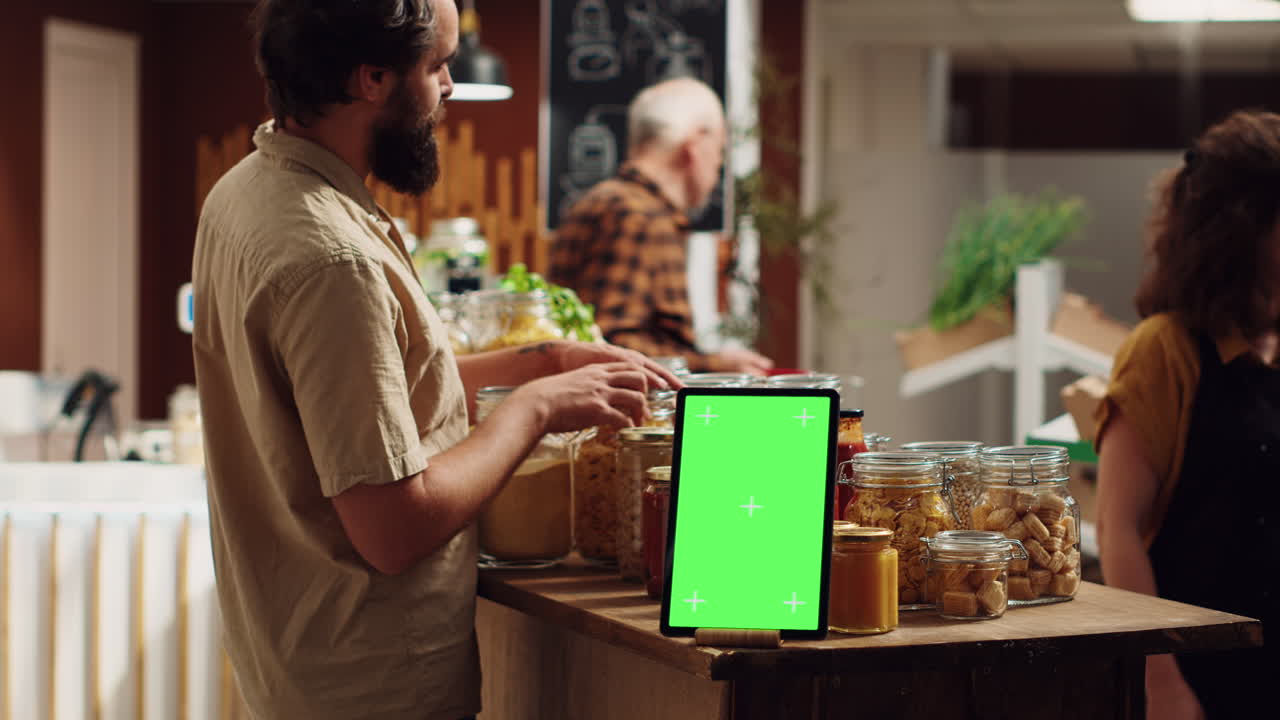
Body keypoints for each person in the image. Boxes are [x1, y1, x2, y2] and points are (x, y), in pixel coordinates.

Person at [191, 1, 680, 718]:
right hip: (372, 685)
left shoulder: (248, 191)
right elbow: (393, 529)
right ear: (372, 78)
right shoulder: (335, 261)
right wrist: (531, 410)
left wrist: (540, 363)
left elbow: (366, 398)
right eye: (438, 65)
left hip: (299, 660)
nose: (450, 87)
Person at [1095, 109, 1280, 720]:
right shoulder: (1164, 351)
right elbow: (1118, 532)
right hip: (1200, 684)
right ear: (1246, 227)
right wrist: (1162, 686)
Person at [549, 77, 774, 376]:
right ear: (695, 146)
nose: (718, 167)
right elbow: (609, 348)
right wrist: (716, 366)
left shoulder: (601, 200)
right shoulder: (637, 214)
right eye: (719, 151)